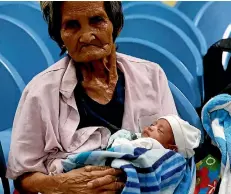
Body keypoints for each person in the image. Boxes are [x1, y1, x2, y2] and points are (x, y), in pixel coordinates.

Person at [6, 1, 178, 194]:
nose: (87, 36)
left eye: (97, 21)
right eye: (72, 25)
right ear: (60, 36)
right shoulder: (40, 92)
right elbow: (22, 176)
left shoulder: (151, 76)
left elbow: (175, 151)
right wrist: (63, 185)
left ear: (116, 25)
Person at [108, 115, 201, 158]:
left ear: (171, 148)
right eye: (153, 124)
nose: (152, 127)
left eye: (160, 130)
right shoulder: (138, 138)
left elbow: (120, 147)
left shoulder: (151, 144)